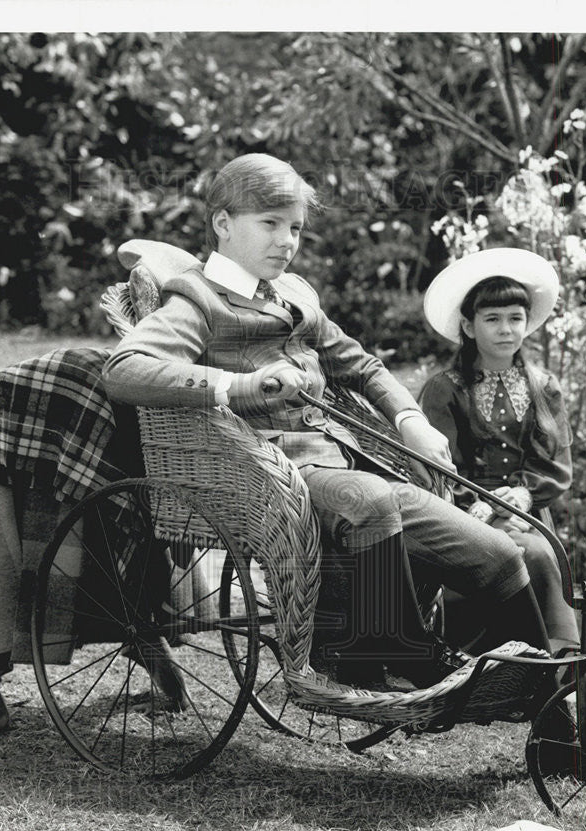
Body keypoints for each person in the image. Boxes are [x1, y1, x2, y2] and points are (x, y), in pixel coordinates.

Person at [102, 153, 551, 691]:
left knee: (498, 553)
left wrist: (410, 419)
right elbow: (124, 369)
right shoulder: (195, 300)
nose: (286, 240)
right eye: (269, 224)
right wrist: (240, 385)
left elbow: (360, 364)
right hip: (264, 472)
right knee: (371, 499)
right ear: (223, 224)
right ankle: (398, 653)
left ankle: (555, 726)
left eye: (293, 227)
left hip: (345, 467)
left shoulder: (296, 293)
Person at [420, 248, 579, 654]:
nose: (506, 329)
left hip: (529, 511)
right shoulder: (446, 388)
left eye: (515, 318)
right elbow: (436, 465)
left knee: (539, 551)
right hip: (466, 512)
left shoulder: (544, 386)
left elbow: (556, 464)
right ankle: (505, 661)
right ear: (469, 327)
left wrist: (523, 495)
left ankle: (553, 665)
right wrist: (483, 507)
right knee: (522, 555)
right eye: (492, 319)